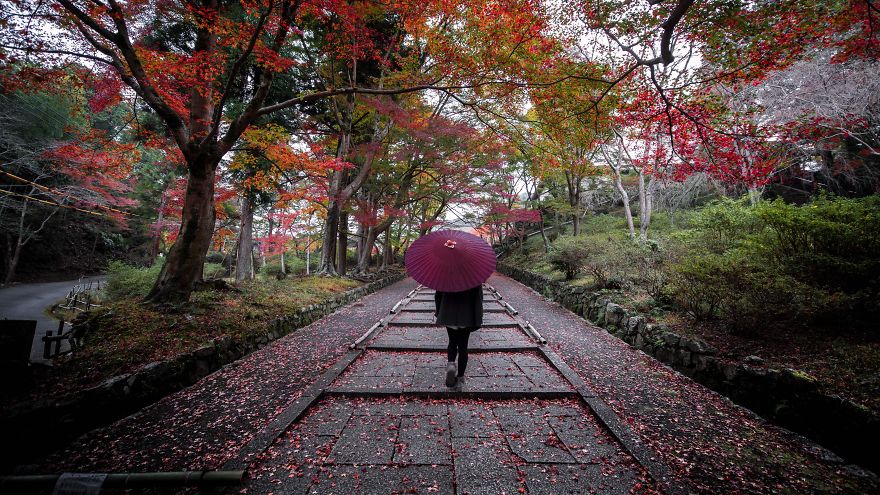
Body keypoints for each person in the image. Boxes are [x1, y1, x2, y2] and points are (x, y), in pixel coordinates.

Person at [434, 285, 483, 387]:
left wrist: (439, 312)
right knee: (463, 346)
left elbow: (438, 294)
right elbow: (478, 297)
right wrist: (478, 316)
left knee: (452, 342)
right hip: (466, 314)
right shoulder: (473, 276)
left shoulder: (444, 275)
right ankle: (460, 378)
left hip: (448, 312)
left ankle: (451, 364)